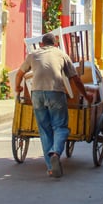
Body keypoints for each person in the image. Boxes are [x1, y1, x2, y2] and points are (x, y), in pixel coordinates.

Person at [15, 32, 91, 178]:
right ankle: (56, 152)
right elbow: (75, 79)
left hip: (36, 94)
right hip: (55, 93)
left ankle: (51, 167)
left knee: (44, 130)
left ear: (42, 44)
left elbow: (19, 74)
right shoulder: (61, 54)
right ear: (55, 44)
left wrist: (17, 87)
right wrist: (86, 95)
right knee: (60, 127)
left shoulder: (33, 54)